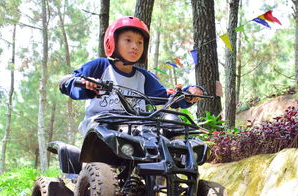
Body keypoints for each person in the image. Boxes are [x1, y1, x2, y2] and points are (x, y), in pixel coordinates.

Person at [59, 16, 204, 136]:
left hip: (136, 131)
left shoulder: (143, 77)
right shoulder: (100, 66)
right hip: (99, 128)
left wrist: (188, 92)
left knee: (170, 126)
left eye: (140, 42)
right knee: (96, 166)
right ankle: (87, 170)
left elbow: (167, 97)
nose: (135, 46)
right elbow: (67, 82)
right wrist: (84, 84)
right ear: (112, 42)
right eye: (128, 40)